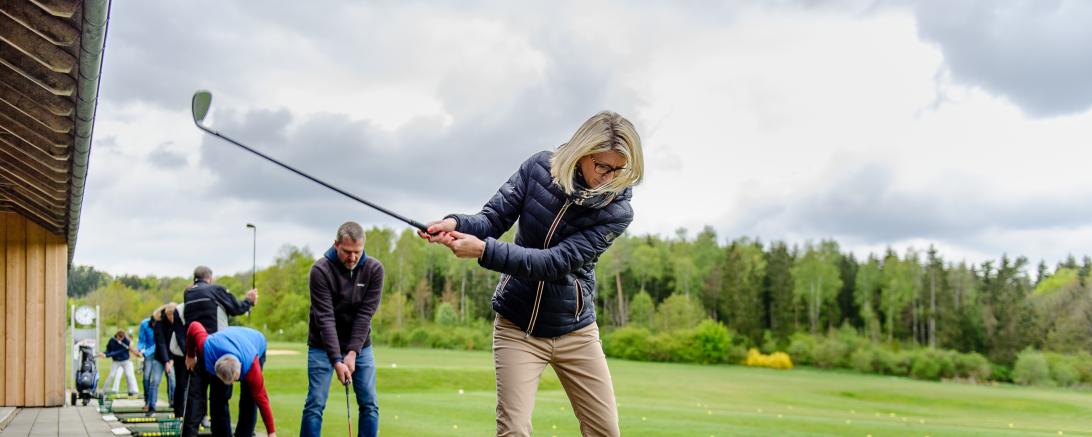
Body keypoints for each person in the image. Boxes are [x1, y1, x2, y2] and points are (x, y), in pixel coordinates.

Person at [420, 111, 644, 437]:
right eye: (602, 167)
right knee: (513, 431)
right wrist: (455, 223)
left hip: (576, 332)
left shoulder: (618, 211)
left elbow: (555, 263)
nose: (609, 177)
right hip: (517, 327)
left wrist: (483, 251)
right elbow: (492, 219)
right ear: (583, 153)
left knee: (605, 431)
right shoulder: (539, 168)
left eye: (619, 169)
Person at [300, 221, 384, 437]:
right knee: (315, 404)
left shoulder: (374, 269)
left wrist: (353, 352)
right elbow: (325, 318)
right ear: (336, 244)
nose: (352, 257)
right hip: (322, 345)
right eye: (347, 251)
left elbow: (365, 315)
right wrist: (337, 360)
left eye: (358, 252)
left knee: (369, 404)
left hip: (360, 346)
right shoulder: (320, 270)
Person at [181, 266, 258, 437]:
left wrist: (190, 354)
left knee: (194, 402)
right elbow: (236, 308)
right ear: (210, 278)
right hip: (218, 354)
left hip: (197, 353)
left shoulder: (188, 294)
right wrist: (249, 301)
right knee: (219, 402)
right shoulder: (215, 290)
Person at [184, 321, 276, 437]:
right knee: (218, 397)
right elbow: (194, 326)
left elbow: (262, 399)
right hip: (224, 342)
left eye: (234, 380)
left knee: (249, 398)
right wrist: (190, 355)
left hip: (255, 341)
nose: (232, 383)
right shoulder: (207, 347)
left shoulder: (252, 367)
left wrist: (271, 432)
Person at [139, 308, 175, 415]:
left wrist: (171, 360)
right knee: (155, 381)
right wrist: (166, 361)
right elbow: (161, 344)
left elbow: (176, 344)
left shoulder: (177, 324)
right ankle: (151, 407)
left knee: (173, 381)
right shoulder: (158, 325)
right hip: (159, 358)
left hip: (172, 358)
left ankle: (173, 404)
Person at [159, 302, 190, 419]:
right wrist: (168, 360)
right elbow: (163, 343)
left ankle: (192, 413)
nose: (170, 317)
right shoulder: (161, 324)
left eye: (172, 314)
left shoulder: (183, 319)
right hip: (177, 356)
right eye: (168, 315)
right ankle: (179, 413)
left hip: (187, 354)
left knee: (191, 386)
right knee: (180, 385)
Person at [100, 330, 140, 396]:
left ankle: (131, 391)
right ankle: (104, 391)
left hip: (125, 361)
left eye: (122, 338)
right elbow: (108, 350)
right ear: (117, 335)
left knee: (128, 375)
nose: (121, 339)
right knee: (111, 375)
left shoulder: (126, 341)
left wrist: (106, 355)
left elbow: (118, 352)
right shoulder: (112, 340)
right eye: (120, 337)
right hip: (116, 361)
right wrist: (103, 353)